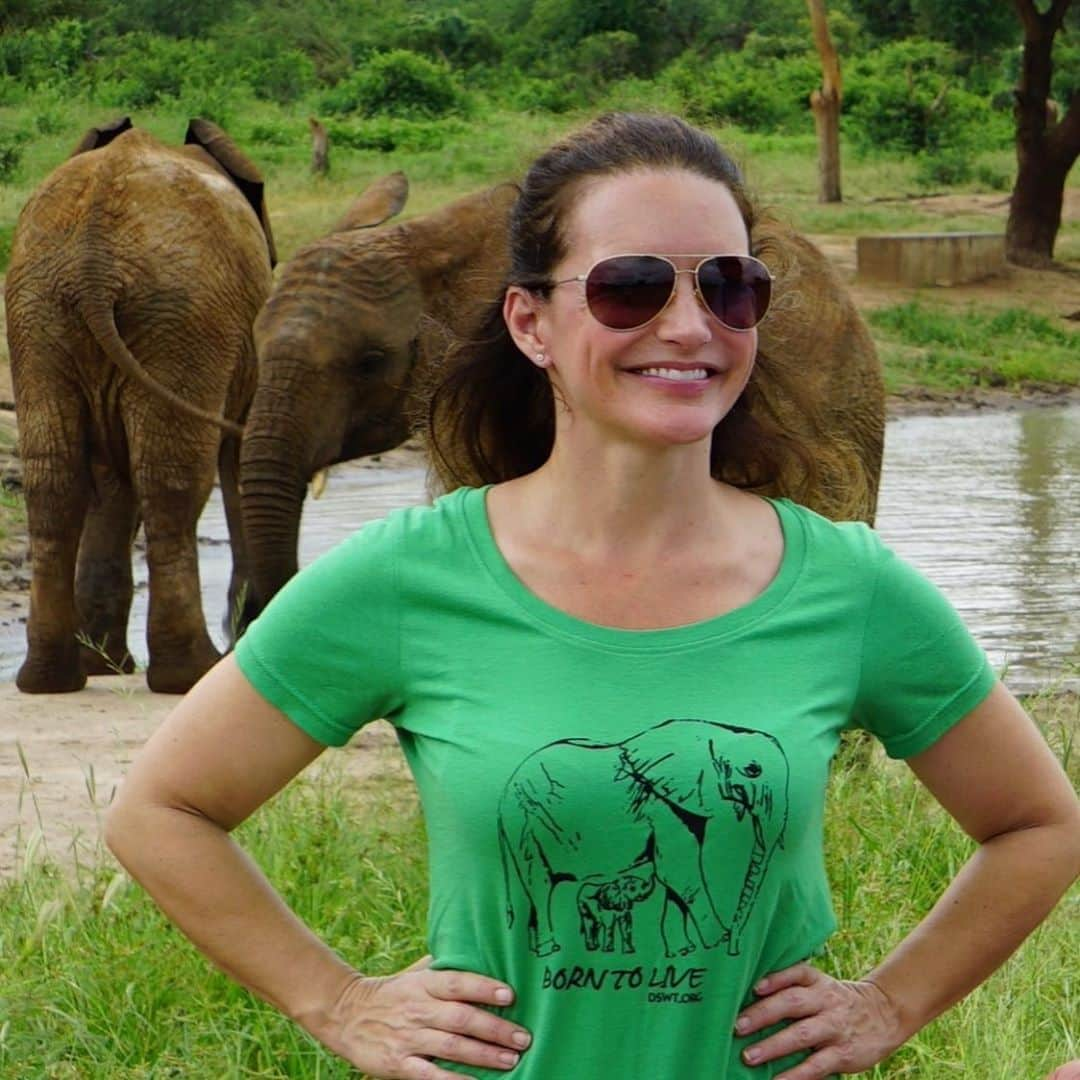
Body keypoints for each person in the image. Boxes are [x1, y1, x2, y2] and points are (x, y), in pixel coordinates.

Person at [105, 113, 1080, 1080]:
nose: (691, 326)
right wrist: (343, 1003)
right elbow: (162, 810)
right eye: (630, 288)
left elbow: (1041, 824)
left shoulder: (845, 585)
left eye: (731, 289)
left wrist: (890, 1004)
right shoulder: (412, 576)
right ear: (530, 322)